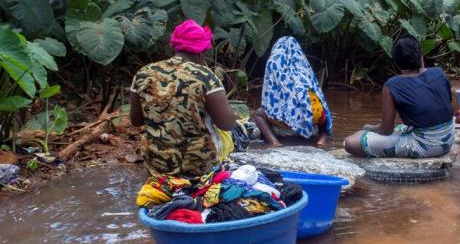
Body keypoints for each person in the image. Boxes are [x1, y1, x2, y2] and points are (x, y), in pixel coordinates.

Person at [129, 19, 238, 178]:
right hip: (197, 166)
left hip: (156, 165)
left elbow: (136, 120)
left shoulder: (144, 73)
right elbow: (227, 124)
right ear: (201, 52)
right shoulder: (205, 76)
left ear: (175, 47)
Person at [344, 35, 455, 158]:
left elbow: (386, 130)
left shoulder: (392, 85)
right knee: (399, 128)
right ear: (420, 55)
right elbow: (444, 107)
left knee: (350, 142)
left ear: (396, 61)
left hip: (425, 146)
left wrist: (369, 128)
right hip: (448, 139)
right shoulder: (439, 72)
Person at [252, 36, 332, 147]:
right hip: (313, 116)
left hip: (285, 121)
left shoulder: (274, 61)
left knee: (259, 114)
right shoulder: (302, 63)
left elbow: (270, 94)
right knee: (324, 108)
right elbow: (316, 90)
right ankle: (321, 140)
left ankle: (275, 142)